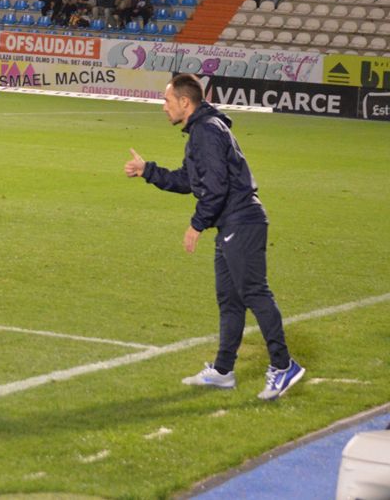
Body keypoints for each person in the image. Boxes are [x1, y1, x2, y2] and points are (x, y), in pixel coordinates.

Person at [124, 74, 304, 401]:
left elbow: (216, 188)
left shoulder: (206, 132)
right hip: (232, 223)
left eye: (167, 101)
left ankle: (283, 365)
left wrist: (196, 225)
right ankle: (223, 371)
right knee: (230, 299)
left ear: (185, 102)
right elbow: (189, 180)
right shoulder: (202, 131)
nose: (163, 107)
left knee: (254, 292)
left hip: (241, 221)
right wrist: (147, 170)